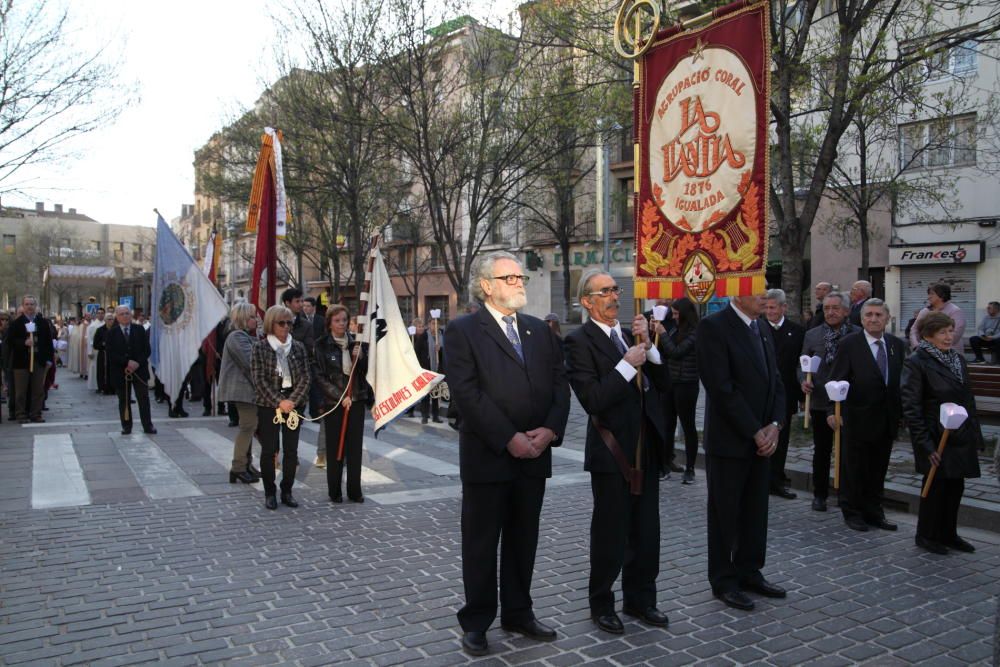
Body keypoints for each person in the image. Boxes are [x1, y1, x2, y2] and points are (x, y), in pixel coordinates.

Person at [445, 251, 570, 656]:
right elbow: (467, 394)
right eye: (510, 277)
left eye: (520, 277)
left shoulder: (538, 330)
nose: (519, 282)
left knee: (523, 538)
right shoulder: (464, 330)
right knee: (481, 542)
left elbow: (559, 385)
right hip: (489, 457)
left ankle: (519, 611)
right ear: (487, 285)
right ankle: (477, 620)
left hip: (535, 455)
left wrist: (549, 429)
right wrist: (509, 437)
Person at [565, 271, 671, 635]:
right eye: (605, 291)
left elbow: (664, 385)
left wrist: (651, 348)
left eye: (615, 290)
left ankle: (642, 599)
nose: (614, 296)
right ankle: (602, 603)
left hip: (646, 447)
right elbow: (593, 398)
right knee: (611, 532)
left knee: (647, 531)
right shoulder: (578, 341)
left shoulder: (629, 333)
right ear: (587, 301)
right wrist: (627, 363)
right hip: (613, 452)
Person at [696, 292, 786, 612]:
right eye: (759, 290)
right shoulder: (713, 327)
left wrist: (775, 423)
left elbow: (775, 379)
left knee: (754, 510)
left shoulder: (761, 328)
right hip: (731, 440)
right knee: (725, 513)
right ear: (738, 291)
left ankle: (750, 570)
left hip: (763, 439)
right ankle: (724, 580)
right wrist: (754, 430)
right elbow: (721, 387)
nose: (766, 296)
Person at [901, 312, 982, 554]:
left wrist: (975, 435)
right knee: (935, 488)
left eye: (951, 331)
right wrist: (925, 445)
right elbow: (911, 407)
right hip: (935, 435)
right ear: (928, 335)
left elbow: (968, 398)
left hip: (960, 433)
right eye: (943, 332)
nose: (949, 337)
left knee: (955, 487)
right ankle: (927, 535)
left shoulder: (957, 359)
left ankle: (949, 533)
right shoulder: (917, 361)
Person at [827, 298, 904, 533]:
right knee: (855, 468)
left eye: (878, 315)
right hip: (856, 417)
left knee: (878, 468)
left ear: (887, 318)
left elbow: (897, 382)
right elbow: (836, 377)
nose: (873, 319)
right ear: (861, 319)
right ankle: (852, 511)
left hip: (886, 417)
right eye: (868, 315)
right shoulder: (850, 344)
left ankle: (874, 510)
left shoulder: (896, 345)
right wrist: (832, 410)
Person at [799, 293, 860, 511]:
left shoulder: (856, 334)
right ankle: (820, 494)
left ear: (846, 311)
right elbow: (802, 364)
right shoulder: (813, 335)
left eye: (835, 308)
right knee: (822, 450)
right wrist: (802, 382)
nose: (831, 312)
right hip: (819, 400)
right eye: (826, 308)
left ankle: (846, 493)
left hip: (847, 403)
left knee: (848, 450)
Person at [251, 304, 310, 510]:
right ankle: (269, 492)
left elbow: (305, 377)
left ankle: (287, 491)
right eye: (281, 323)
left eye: (289, 323)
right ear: (271, 324)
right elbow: (259, 380)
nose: (286, 327)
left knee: (291, 451)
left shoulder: (299, 347)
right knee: (269, 450)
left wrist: (292, 400)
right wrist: (279, 401)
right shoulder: (260, 347)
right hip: (269, 405)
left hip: (294, 403)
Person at [315, 305, 372, 503]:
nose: (342, 324)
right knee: (334, 447)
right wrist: (339, 396)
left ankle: (354, 490)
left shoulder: (356, 343)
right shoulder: (322, 344)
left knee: (355, 448)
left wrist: (362, 357)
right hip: (335, 403)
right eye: (337, 320)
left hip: (355, 399)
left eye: (344, 320)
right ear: (330, 322)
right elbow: (320, 377)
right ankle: (335, 490)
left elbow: (364, 372)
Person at [763, 289, 805, 499]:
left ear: (783, 308)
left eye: (772, 307)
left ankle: (777, 480)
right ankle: (761, 480)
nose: (769, 311)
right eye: (766, 307)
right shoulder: (758, 329)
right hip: (762, 395)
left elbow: (800, 365)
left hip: (786, 394)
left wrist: (802, 395)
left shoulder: (797, 331)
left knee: (782, 438)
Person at [654, 297, 700, 484]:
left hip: (687, 383)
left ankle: (690, 468)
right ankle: (665, 464)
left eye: (675, 314)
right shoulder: (674, 328)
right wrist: (656, 333)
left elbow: (677, 351)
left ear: (685, 314)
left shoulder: (696, 332)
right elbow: (664, 351)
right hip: (670, 382)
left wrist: (663, 334)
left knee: (688, 426)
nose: (673, 317)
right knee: (667, 424)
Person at [218, 302, 262, 485]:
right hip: (242, 390)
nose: (256, 319)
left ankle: (246, 464)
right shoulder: (237, 337)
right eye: (252, 317)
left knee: (250, 426)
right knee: (248, 426)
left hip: (248, 390)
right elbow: (251, 362)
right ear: (243, 319)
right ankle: (238, 467)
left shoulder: (246, 336)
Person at [106, 305, 156, 435]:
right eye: (122, 314)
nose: (125, 316)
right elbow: (111, 353)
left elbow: (147, 349)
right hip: (121, 372)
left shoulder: (139, 330)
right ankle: (126, 426)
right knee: (124, 400)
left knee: (143, 398)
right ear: (117, 316)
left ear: (131, 315)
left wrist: (137, 363)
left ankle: (148, 425)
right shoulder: (112, 332)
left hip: (139, 371)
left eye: (127, 313)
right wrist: (127, 362)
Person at [8, 296, 54, 423]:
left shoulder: (43, 322)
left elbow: (48, 343)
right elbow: (10, 341)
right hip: (21, 362)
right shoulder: (16, 323)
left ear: (35, 306)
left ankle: (36, 413)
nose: (29, 307)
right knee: (21, 391)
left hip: (38, 361)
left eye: (32, 304)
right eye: (27, 304)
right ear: (23, 306)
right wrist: (24, 342)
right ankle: (21, 414)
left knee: (38, 390)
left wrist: (49, 360)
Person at [909, 283, 966, 353]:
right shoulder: (925, 311)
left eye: (932, 294)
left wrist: (935, 348)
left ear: (942, 295)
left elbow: (955, 335)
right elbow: (914, 330)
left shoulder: (955, 311)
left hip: (950, 355)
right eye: (929, 294)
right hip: (926, 355)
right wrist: (916, 346)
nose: (928, 297)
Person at [413, 316, 444, 424]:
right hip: (426, 368)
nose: (434, 326)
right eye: (432, 324)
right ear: (429, 325)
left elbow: (447, 351)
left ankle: (435, 416)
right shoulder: (424, 336)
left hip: (438, 369)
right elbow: (417, 351)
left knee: (436, 394)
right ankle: (425, 415)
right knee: (426, 394)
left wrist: (440, 350)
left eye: (436, 324)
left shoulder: (442, 335)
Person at [92, 313, 115, 395]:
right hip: (103, 354)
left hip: (114, 355)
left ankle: (114, 388)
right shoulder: (100, 330)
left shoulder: (116, 329)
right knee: (102, 372)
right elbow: (95, 344)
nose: (110, 321)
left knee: (113, 372)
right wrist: (103, 344)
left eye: (112, 319)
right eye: (109, 319)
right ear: (105, 320)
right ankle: (103, 388)